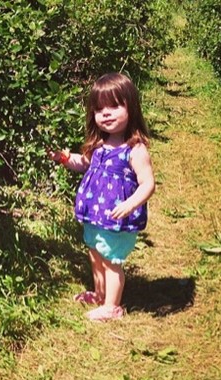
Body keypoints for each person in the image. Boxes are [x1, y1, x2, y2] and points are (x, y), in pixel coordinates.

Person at [49, 72, 155, 321]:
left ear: (132, 107)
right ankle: (99, 294)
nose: (105, 113)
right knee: (95, 254)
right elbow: (81, 163)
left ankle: (112, 307)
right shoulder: (98, 145)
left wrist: (131, 204)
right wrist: (64, 158)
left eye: (115, 106)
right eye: (99, 109)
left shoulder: (135, 149)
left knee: (111, 260)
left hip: (118, 219)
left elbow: (148, 184)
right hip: (95, 216)